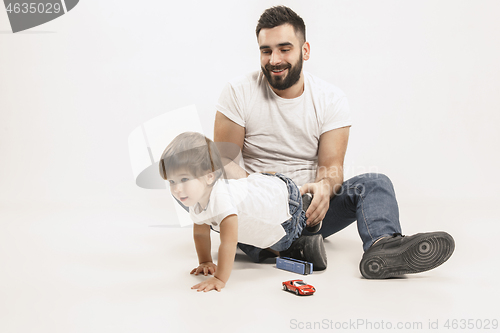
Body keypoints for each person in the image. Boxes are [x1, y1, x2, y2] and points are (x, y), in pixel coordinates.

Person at [213, 5, 455, 279]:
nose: (274, 59)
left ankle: (383, 247)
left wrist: (324, 190)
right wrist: (265, 198)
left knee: (376, 184)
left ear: (305, 50)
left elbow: (331, 166)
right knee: (211, 186)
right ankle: (282, 245)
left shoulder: (330, 99)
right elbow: (225, 164)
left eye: (284, 48)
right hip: (258, 209)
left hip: (308, 209)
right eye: (266, 50)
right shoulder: (237, 92)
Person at [159, 132, 327, 292]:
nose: (177, 189)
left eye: (184, 179)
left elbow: (229, 243)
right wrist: (205, 261)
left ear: (210, 176)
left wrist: (219, 278)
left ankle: (305, 208)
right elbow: (201, 233)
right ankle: (302, 246)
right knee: (262, 244)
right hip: (264, 206)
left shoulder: (221, 197)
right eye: (172, 181)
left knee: (282, 239)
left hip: (286, 202)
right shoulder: (196, 201)